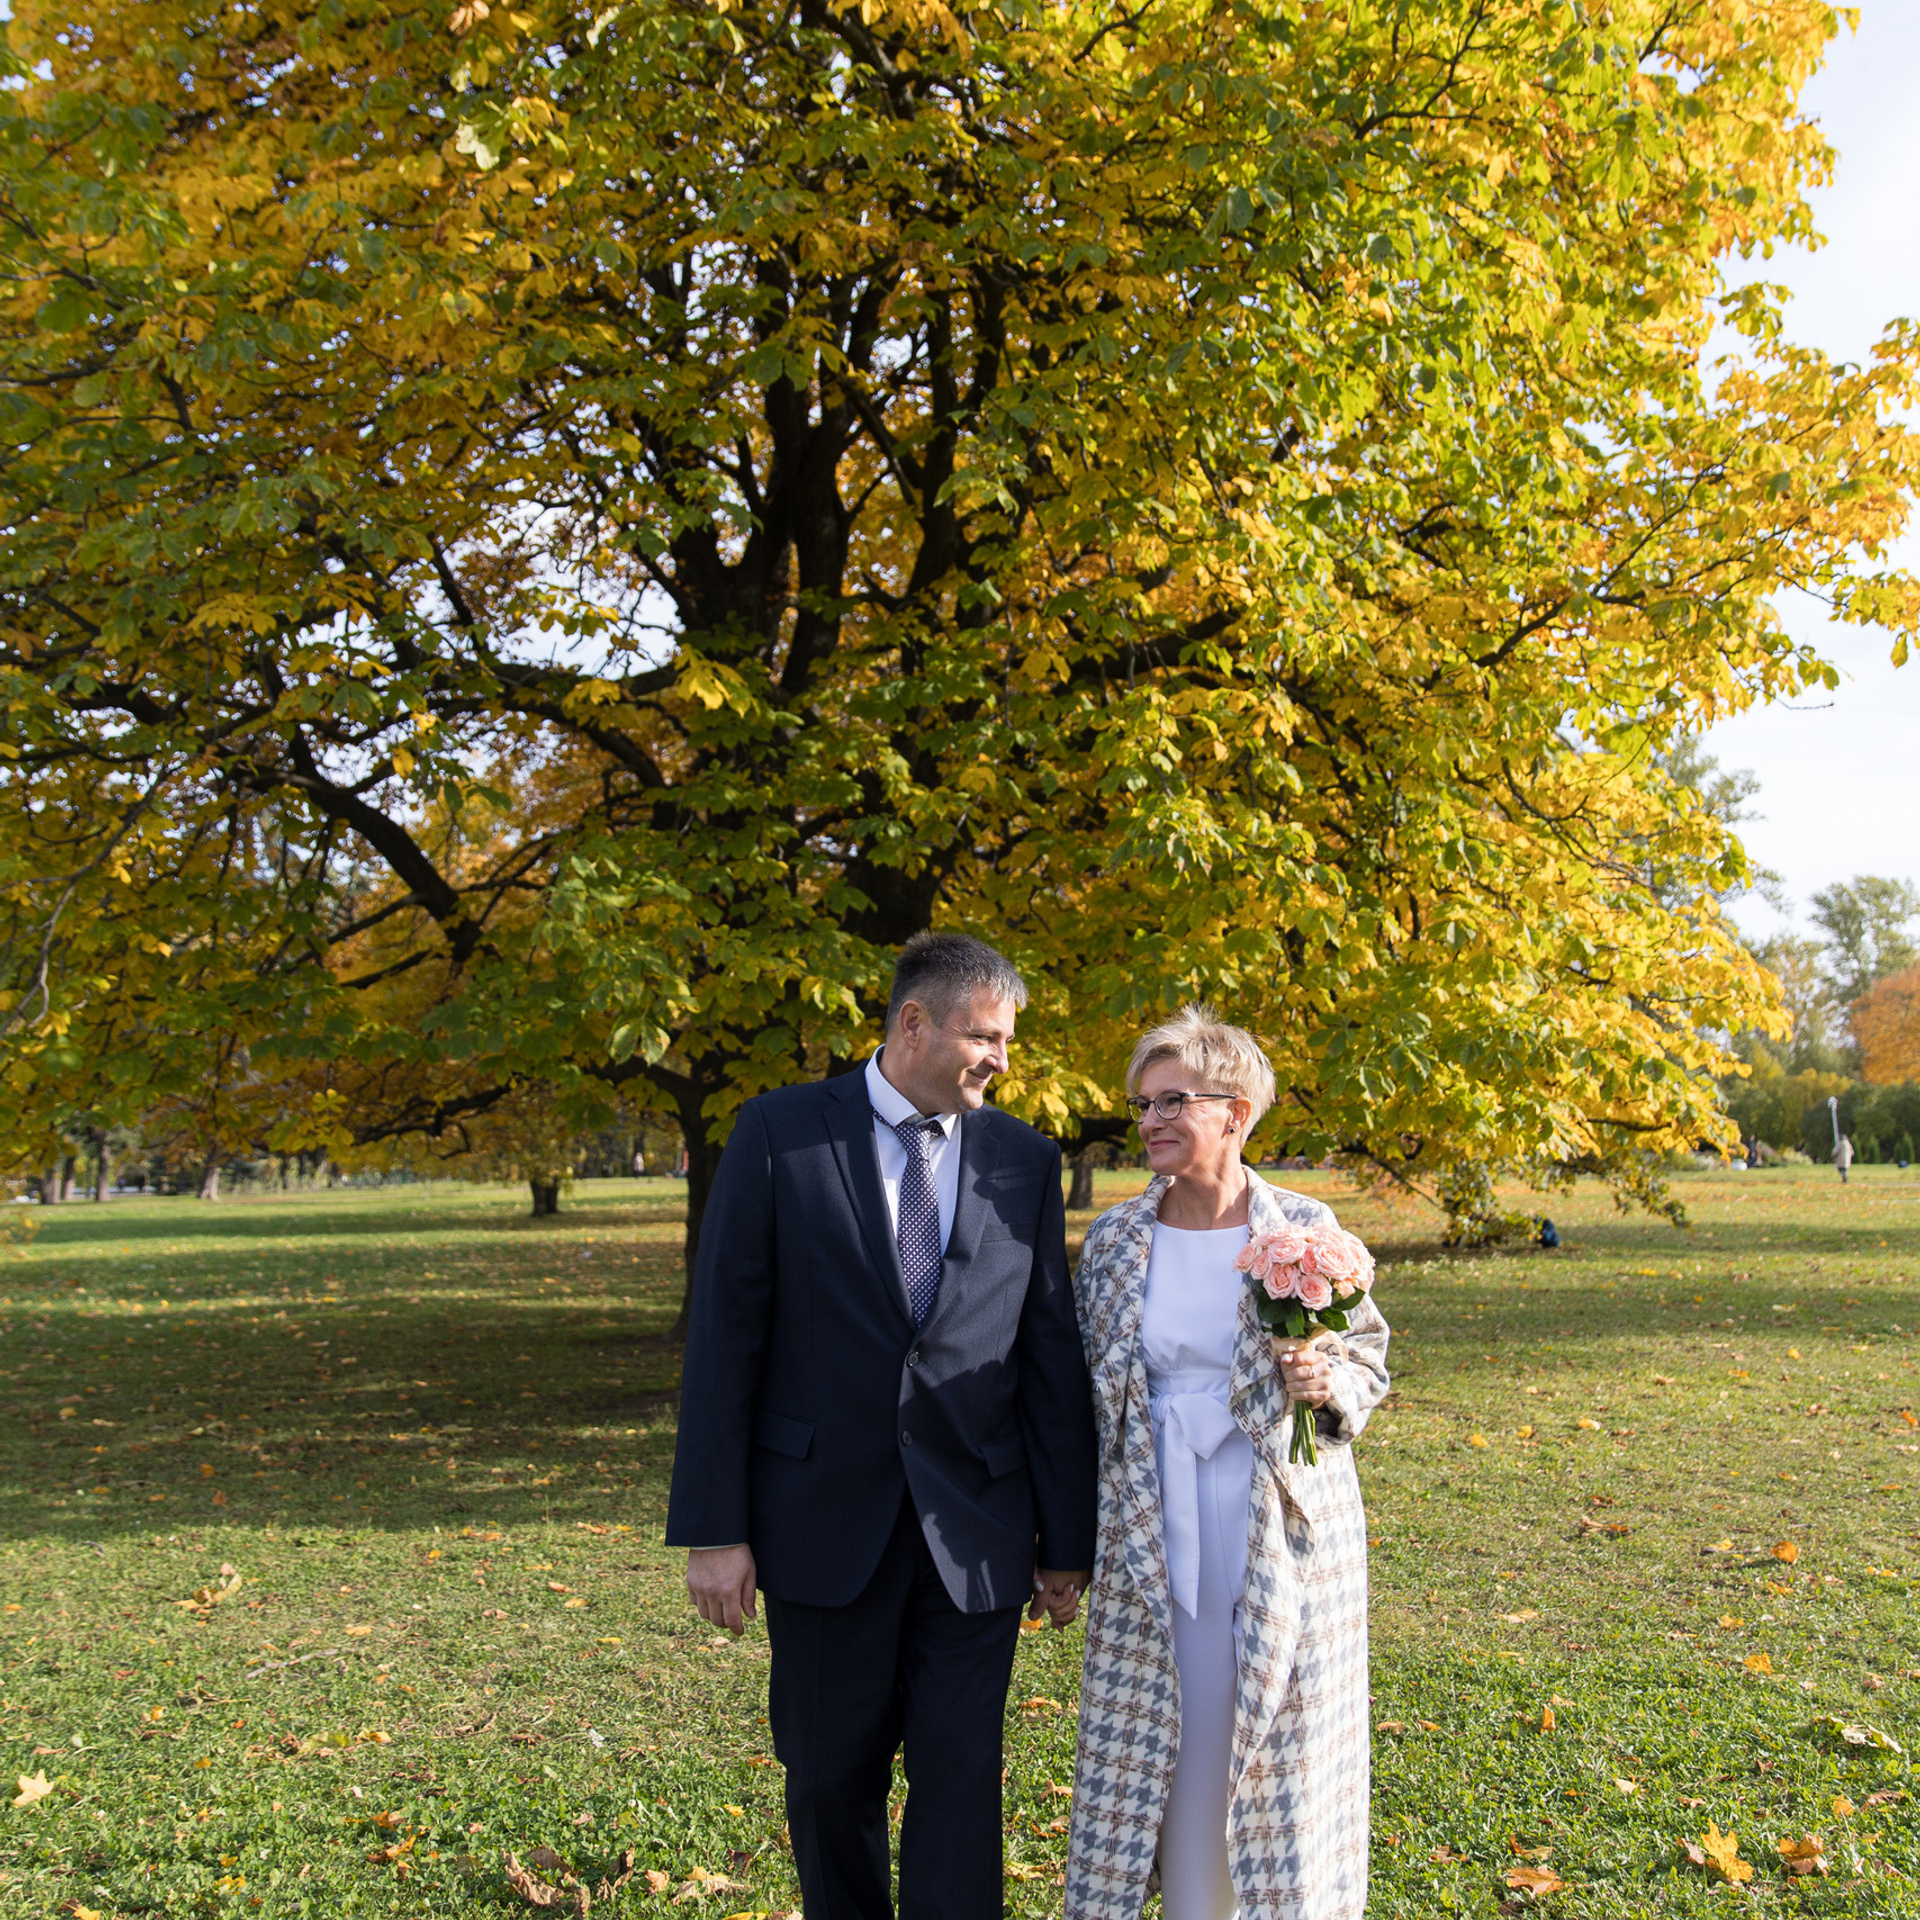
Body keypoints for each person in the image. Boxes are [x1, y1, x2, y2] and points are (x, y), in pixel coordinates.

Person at [667, 932, 1098, 1920]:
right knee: (829, 1782)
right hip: (820, 1525)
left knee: (961, 1784)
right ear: (913, 1023)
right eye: (985, 1037)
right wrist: (715, 1529)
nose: (1001, 1060)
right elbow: (726, 1342)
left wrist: (1066, 1542)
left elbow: (1047, 1355)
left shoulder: (1024, 1159)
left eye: (1007, 1040)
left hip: (977, 1532)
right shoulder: (777, 1134)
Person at [1066, 1007, 1390, 1920]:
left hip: (1276, 1516)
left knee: (1276, 1735)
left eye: (1173, 1101)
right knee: (1168, 1723)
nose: (1150, 1121)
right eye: (1142, 1105)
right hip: (1151, 1513)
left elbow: (1367, 1359)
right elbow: (1081, 1384)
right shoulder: (1118, 1239)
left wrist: (1325, 1380)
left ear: (1236, 1113)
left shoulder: (1306, 1229)